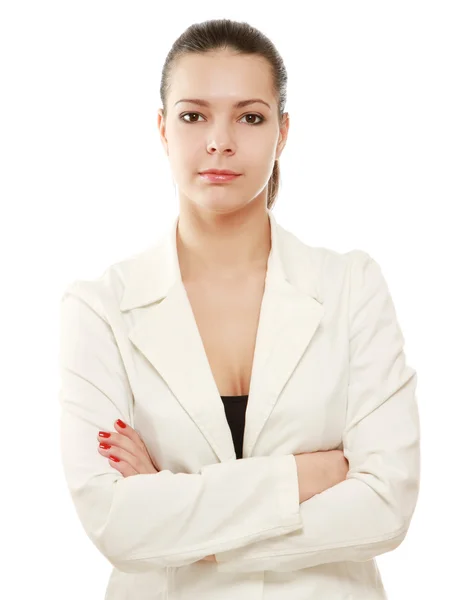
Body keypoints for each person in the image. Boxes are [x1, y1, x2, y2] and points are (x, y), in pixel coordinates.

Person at [58, 18, 420, 600]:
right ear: (162, 129)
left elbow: (386, 505)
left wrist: (181, 516)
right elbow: (116, 524)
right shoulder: (100, 308)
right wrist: (310, 475)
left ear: (282, 133)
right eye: (193, 115)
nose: (219, 140)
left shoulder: (352, 286)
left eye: (250, 117)